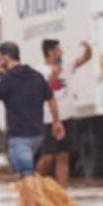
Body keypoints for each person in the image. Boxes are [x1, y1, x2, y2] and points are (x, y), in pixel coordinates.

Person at [0, 41, 63, 183]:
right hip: (37, 134)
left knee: (27, 179)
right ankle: (28, 203)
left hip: (19, 136)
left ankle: (35, 204)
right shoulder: (36, 75)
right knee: (18, 175)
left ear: (6, 58)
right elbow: (51, 98)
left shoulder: (7, 79)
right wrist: (57, 122)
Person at [35, 39, 92, 187]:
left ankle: (62, 191)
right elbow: (42, 91)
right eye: (58, 49)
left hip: (67, 116)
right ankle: (35, 185)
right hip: (49, 119)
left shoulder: (65, 65)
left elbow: (85, 59)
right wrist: (53, 76)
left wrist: (88, 49)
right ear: (50, 52)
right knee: (47, 157)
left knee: (63, 156)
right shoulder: (39, 70)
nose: (61, 52)